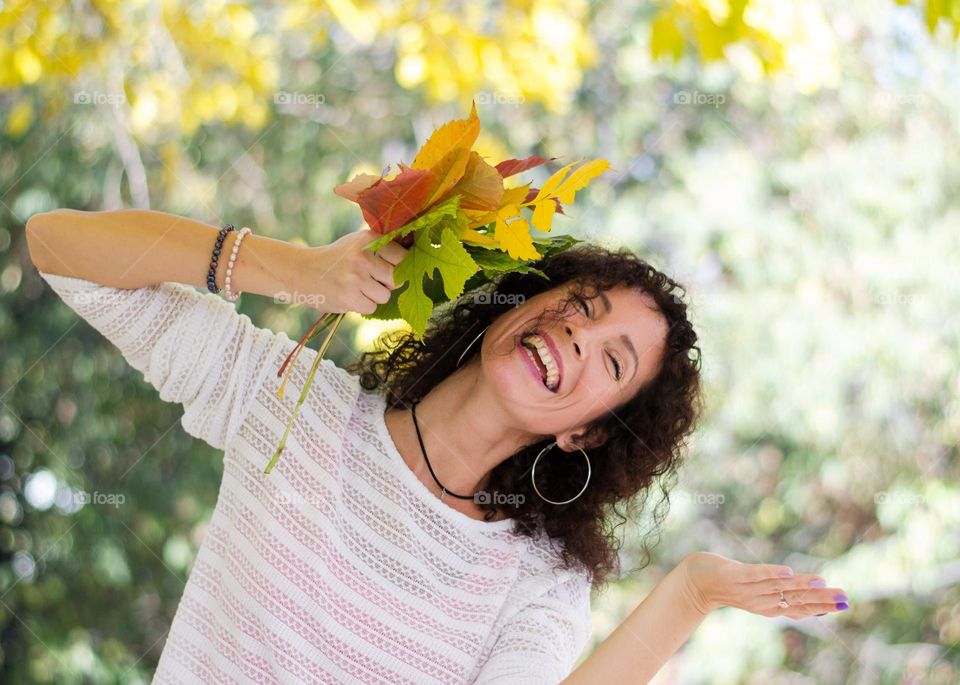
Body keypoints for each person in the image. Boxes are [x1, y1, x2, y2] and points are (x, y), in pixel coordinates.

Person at [25, 208, 849, 684]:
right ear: (517, 302)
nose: (576, 332)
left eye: (612, 361)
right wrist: (297, 269)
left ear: (585, 430)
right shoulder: (293, 401)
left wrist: (688, 598)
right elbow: (60, 247)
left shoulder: (536, 588)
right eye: (584, 304)